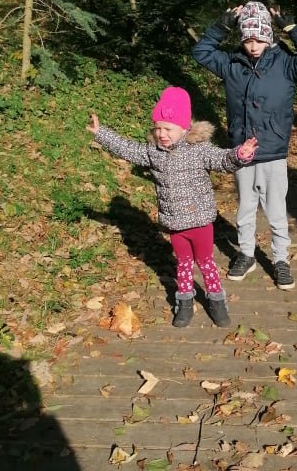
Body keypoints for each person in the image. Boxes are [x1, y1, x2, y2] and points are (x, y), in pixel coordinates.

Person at [87, 86, 257, 328]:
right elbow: (128, 149)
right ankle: (184, 303)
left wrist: (240, 154)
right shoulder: (153, 151)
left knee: (206, 262)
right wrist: (101, 133)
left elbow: (222, 160)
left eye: (168, 129)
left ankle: (217, 301)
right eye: (158, 128)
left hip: (199, 221)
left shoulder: (199, 149)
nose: (162, 134)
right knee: (183, 263)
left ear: (184, 128)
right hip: (175, 223)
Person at [192, 0, 297, 290]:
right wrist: (221, 26)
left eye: (259, 39)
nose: (253, 46)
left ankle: (281, 259)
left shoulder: (287, 64)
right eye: (248, 40)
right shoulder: (231, 64)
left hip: (273, 150)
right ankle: (246, 254)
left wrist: (292, 29)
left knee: (276, 211)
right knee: (245, 208)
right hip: (241, 150)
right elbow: (201, 52)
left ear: (269, 36)